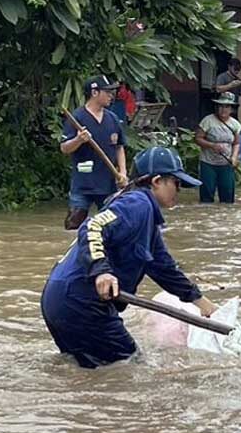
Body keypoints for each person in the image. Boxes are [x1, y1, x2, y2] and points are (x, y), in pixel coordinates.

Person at [40, 146, 217, 369]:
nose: (179, 191)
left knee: (88, 371)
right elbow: (91, 227)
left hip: (60, 299)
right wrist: (102, 271)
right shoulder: (137, 205)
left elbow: (165, 270)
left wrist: (202, 303)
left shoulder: (147, 220)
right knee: (131, 367)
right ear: (157, 181)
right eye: (176, 183)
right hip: (81, 301)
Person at [61, 75, 128, 230]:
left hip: (108, 185)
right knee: (73, 226)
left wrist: (123, 173)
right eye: (107, 92)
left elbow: (119, 147)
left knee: (112, 228)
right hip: (83, 185)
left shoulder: (112, 119)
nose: (111, 96)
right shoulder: (77, 118)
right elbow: (64, 148)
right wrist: (78, 140)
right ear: (95, 93)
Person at [194, 92, 241, 204]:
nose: (223, 109)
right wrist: (212, 145)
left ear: (231, 109)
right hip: (208, 163)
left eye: (227, 106)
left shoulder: (235, 124)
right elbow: (198, 138)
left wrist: (234, 157)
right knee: (206, 196)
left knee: (228, 197)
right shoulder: (207, 121)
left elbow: (236, 143)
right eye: (221, 106)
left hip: (226, 163)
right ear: (216, 107)